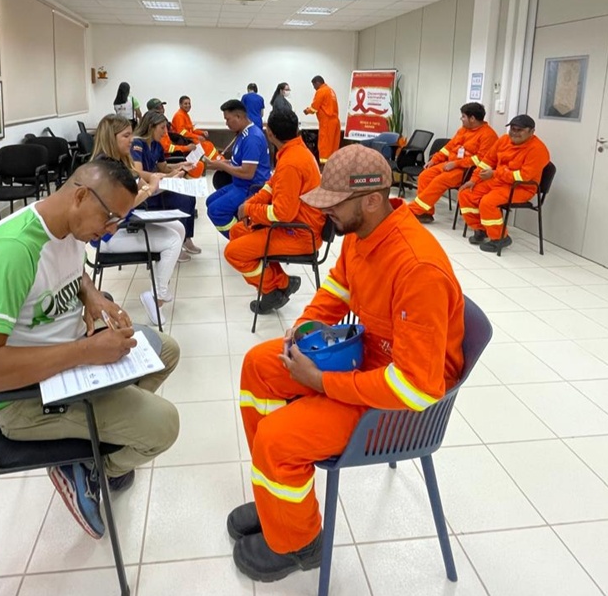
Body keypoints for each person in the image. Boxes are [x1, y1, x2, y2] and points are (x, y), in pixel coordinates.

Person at [228, 144, 464, 583]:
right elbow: (336, 290)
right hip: (365, 364)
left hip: (396, 403)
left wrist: (320, 381)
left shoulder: (417, 268)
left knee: (279, 438)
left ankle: (298, 544)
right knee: (260, 364)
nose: (326, 212)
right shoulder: (362, 235)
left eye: (335, 202)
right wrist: (303, 329)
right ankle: (278, 501)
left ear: (372, 200)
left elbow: (416, 388)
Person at [0, 159, 181, 540]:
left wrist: (93, 296)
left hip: (68, 359)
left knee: (166, 350)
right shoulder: (10, 253)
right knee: (164, 426)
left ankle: (88, 442)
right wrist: (86, 353)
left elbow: (70, 269)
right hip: (23, 397)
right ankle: (87, 464)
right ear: (80, 195)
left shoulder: (64, 226)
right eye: (110, 218)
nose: (110, 230)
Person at [224, 109, 325, 315]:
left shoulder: (290, 163)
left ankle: (276, 286)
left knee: (233, 253)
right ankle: (280, 285)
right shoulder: (294, 151)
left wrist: (250, 209)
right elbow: (271, 186)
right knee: (237, 232)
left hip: (299, 232)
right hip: (294, 225)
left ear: (269, 133)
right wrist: (251, 204)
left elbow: (282, 214)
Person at [90, 114, 186, 325]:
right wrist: (150, 188)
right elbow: (127, 203)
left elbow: (141, 183)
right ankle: (156, 297)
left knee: (178, 227)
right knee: (172, 241)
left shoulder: (119, 163)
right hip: (109, 237)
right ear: (111, 138)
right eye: (126, 135)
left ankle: (160, 288)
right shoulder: (107, 170)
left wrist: (153, 182)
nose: (132, 139)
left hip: (126, 224)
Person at [458, 114, 550, 253]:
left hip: (521, 187)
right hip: (498, 181)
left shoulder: (538, 150)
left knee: (487, 202)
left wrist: (495, 174)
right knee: (466, 193)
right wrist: (473, 180)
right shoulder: (504, 140)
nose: (514, 132)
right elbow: (487, 161)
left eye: (519, 130)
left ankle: (500, 238)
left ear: (531, 132)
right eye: (512, 129)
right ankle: (481, 229)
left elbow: (523, 176)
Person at [409, 102, 499, 224]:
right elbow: (449, 147)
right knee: (424, 176)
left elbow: (481, 160)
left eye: (463, 116)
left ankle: (415, 210)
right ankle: (426, 213)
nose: (461, 119)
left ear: (472, 118)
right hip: (450, 164)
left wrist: (456, 164)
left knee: (439, 181)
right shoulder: (463, 130)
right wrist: (434, 160)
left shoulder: (489, 135)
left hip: (467, 171)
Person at [132, 111, 202, 257]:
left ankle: (186, 238)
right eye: (162, 128)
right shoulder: (137, 143)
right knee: (181, 199)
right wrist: (165, 177)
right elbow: (137, 172)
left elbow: (163, 167)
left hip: (157, 184)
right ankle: (177, 243)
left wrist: (181, 165)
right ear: (151, 127)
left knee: (189, 195)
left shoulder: (157, 145)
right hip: (145, 191)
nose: (165, 132)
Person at [203, 99, 271, 238]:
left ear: (239, 117)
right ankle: (241, 229)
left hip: (251, 187)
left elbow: (247, 173)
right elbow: (238, 162)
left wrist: (221, 165)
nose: (226, 123)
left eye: (228, 119)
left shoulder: (251, 137)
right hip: (239, 184)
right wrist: (217, 163)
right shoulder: (242, 133)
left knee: (216, 211)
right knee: (210, 201)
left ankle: (242, 239)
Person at [303, 75, 341, 165]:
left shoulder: (321, 91)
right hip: (335, 122)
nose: (314, 88)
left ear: (317, 83)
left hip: (327, 123)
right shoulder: (331, 91)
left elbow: (314, 108)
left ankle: (324, 168)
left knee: (324, 145)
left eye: (314, 85)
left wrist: (306, 111)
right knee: (333, 146)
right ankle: (333, 165)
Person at [171, 95, 221, 161]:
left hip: (188, 139)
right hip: (184, 141)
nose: (188, 105)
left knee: (208, 144)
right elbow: (182, 133)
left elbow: (192, 129)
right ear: (180, 105)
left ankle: (217, 159)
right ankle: (214, 161)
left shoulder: (185, 114)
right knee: (206, 145)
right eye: (185, 103)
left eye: (189, 103)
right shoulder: (179, 115)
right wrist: (197, 137)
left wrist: (202, 132)